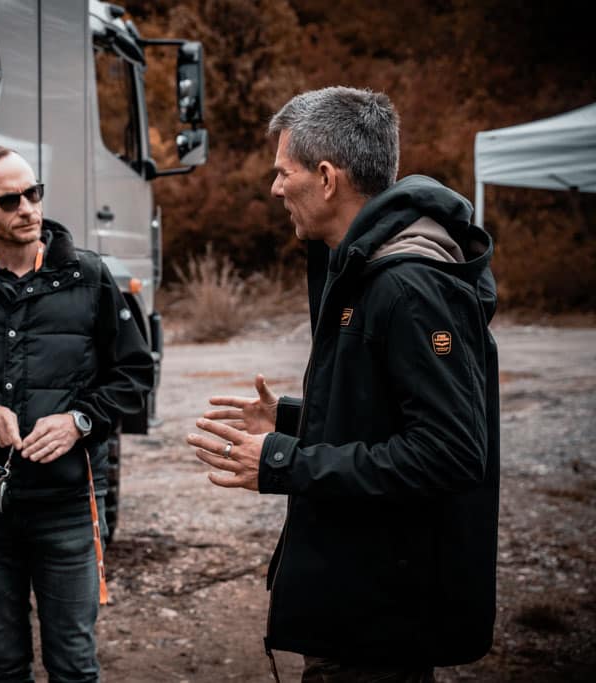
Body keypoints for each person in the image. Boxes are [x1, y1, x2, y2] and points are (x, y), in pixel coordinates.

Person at [186, 86, 500, 682]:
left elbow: (451, 453)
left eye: (284, 172)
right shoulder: (363, 268)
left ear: (327, 177)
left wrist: (284, 462)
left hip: (380, 618)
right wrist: (293, 421)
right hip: (360, 601)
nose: (275, 188)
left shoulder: (407, 287)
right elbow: (391, 418)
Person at [0, 144, 153, 682]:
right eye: (10, 199)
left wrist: (80, 420)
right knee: (3, 664)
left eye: (33, 193)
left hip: (66, 502)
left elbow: (134, 375)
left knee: (74, 665)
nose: (28, 209)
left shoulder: (90, 278)